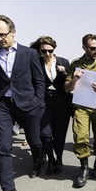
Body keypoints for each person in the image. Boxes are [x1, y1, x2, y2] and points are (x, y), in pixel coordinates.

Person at [0, 15, 45, 191]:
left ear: (13, 33)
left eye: (2, 34)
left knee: (34, 140)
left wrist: (39, 104)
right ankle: (9, 190)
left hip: (28, 104)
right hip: (2, 105)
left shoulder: (29, 53)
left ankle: (38, 160)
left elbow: (39, 81)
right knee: (3, 147)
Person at [64, 34, 96, 187]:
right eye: (92, 48)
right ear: (84, 48)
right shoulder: (76, 64)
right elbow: (67, 89)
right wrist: (74, 79)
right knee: (80, 136)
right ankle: (84, 168)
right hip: (82, 106)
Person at [30, 36, 72, 175]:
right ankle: (51, 159)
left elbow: (71, 82)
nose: (47, 54)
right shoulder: (36, 62)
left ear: (54, 49)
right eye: (44, 51)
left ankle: (59, 159)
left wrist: (65, 73)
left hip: (62, 104)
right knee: (45, 135)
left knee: (59, 134)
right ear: (39, 51)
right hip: (43, 104)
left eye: (50, 50)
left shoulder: (64, 62)